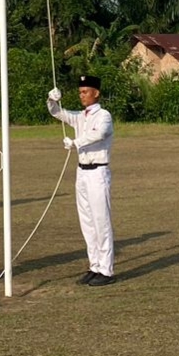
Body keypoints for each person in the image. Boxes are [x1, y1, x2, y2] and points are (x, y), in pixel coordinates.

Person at [47, 75, 116, 286]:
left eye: (85, 91)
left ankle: (106, 269)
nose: (82, 95)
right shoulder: (80, 116)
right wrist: (52, 99)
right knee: (86, 221)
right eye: (80, 92)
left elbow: (100, 134)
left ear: (96, 92)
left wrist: (76, 142)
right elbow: (57, 113)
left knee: (101, 221)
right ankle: (94, 265)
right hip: (82, 173)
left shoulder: (103, 115)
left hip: (97, 172)